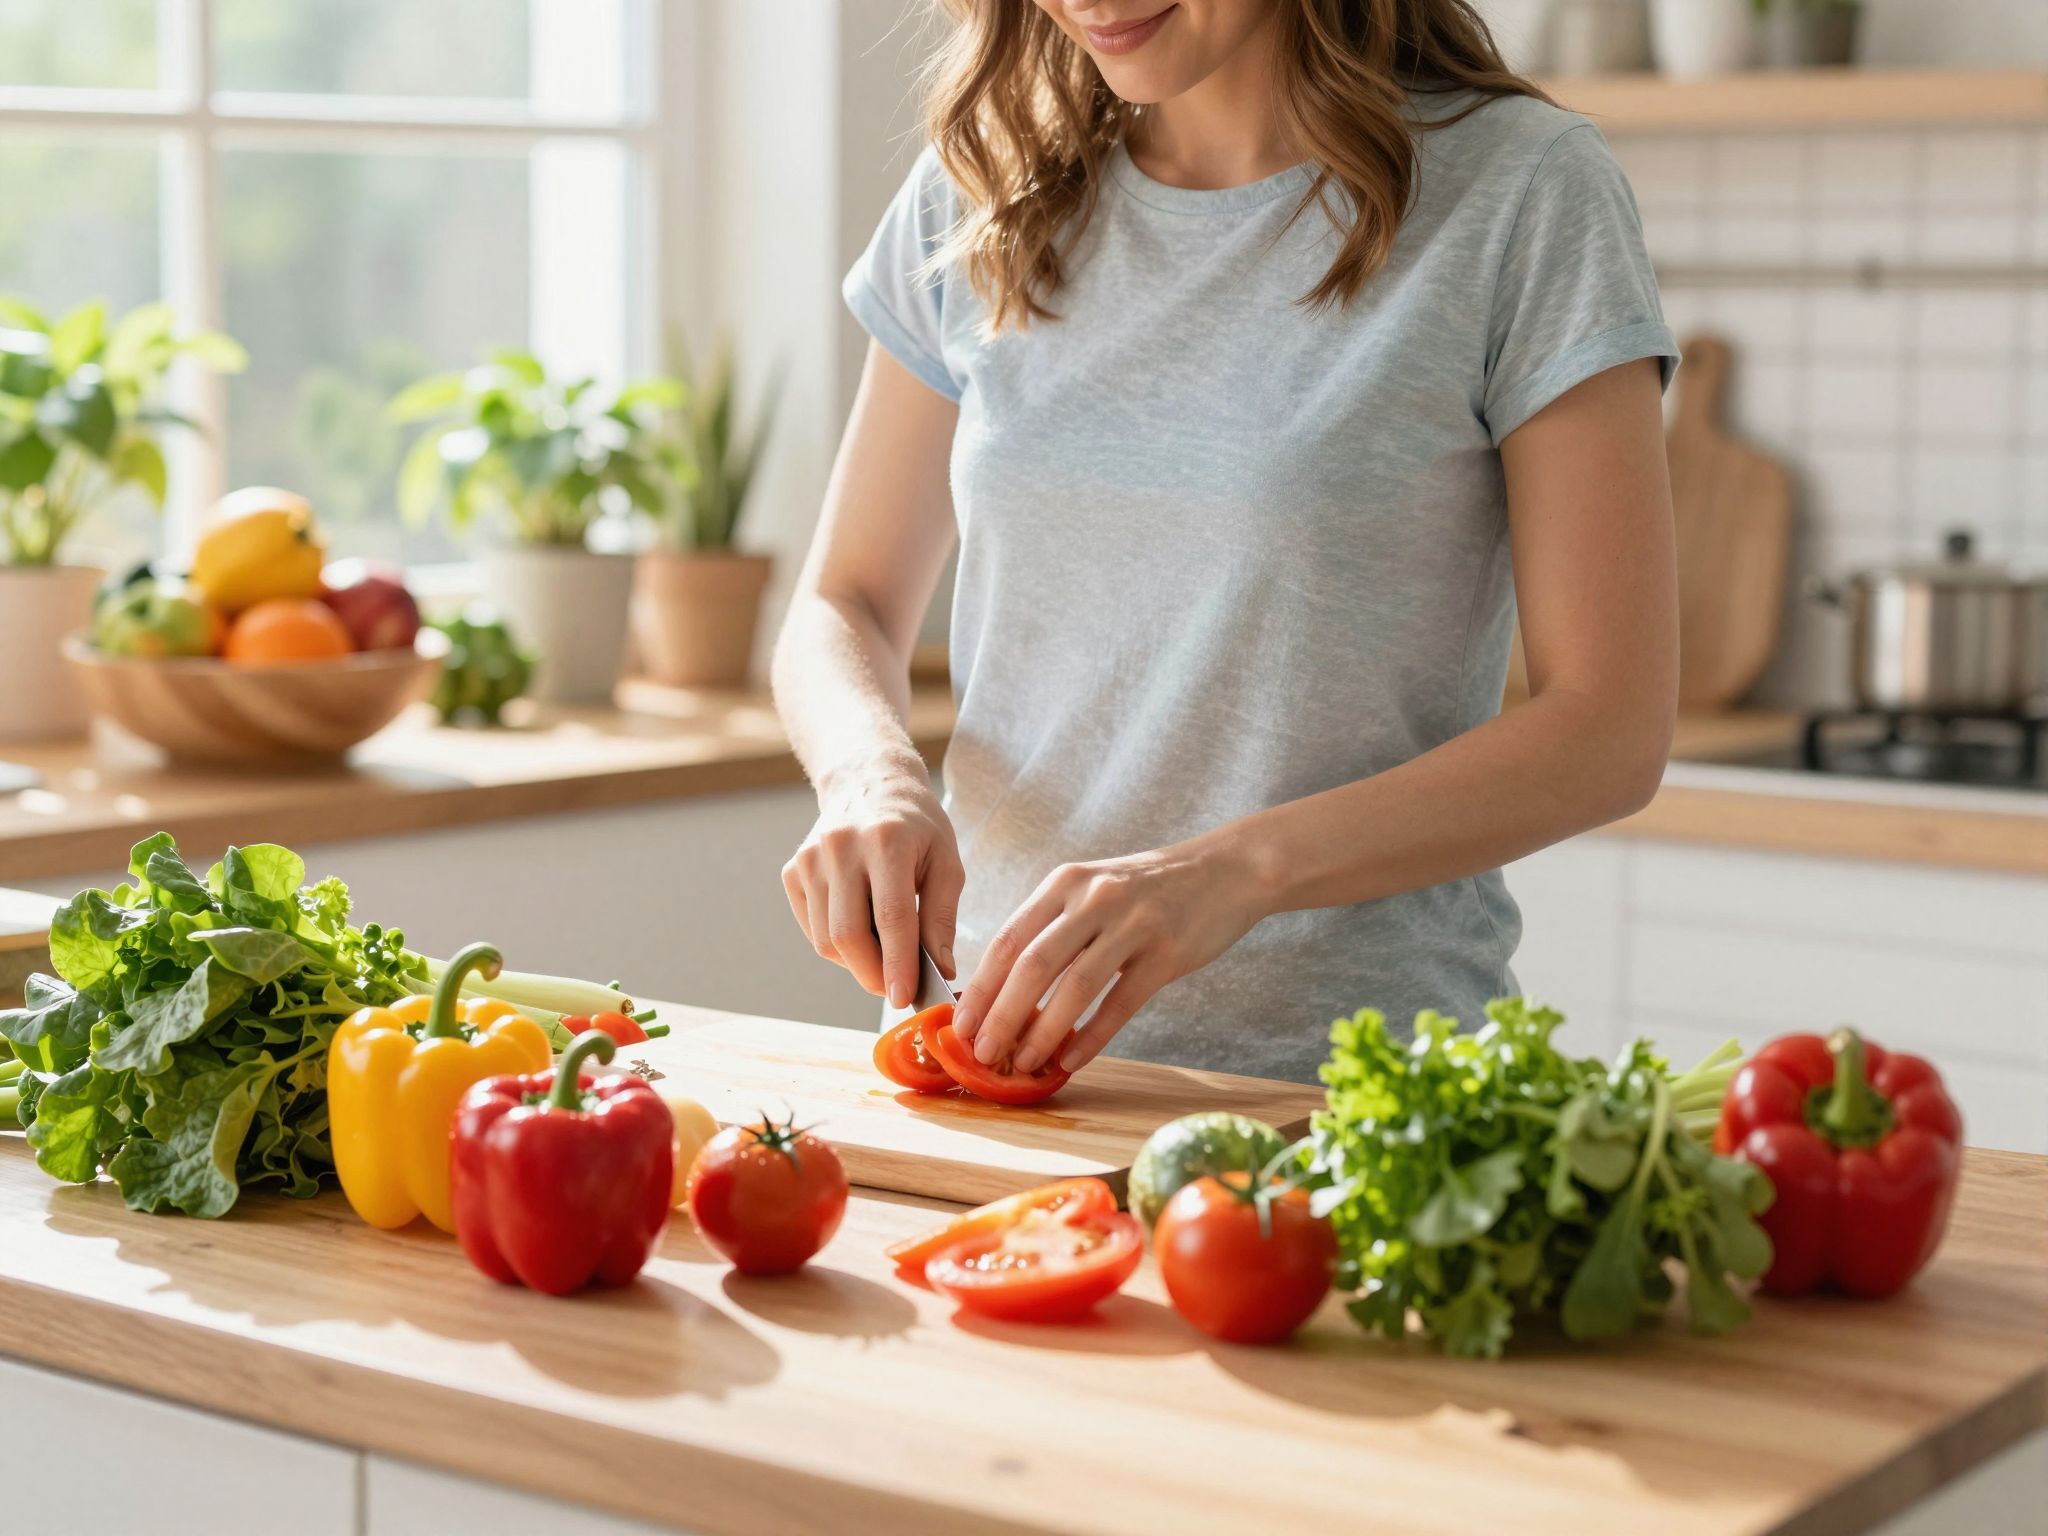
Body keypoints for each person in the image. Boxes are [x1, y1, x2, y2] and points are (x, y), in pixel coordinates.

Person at [771, 0, 1679, 1086]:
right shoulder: (982, 184)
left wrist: (1228, 872)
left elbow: (1607, 728)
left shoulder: (1522, 190)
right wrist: (869, 777)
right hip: (983, 1066)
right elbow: (847, 600)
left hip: (1342, 1094)